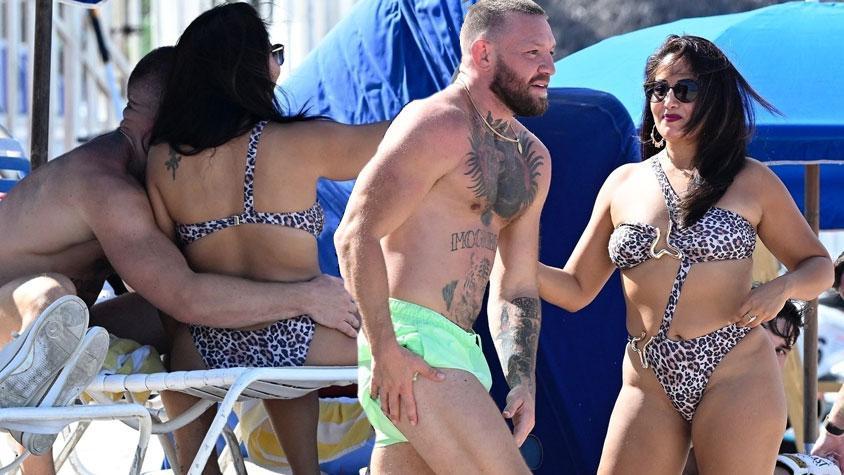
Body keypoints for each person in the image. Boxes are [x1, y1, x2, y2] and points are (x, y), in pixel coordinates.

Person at [0, 47, 355, 475]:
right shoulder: (109, 190)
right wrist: (305, 298)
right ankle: (33, 430)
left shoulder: (139, 176)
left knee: (178, 322)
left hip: (62, 324)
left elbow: (180, 301)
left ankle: (198, 467)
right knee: (53, 297)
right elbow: (186, 296)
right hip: (17, 321)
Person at [539, 35, 833, 473]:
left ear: (713, 98)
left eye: (685, 89)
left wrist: (782, 288)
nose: (668, 100)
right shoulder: (623, 184)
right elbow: (576, 288)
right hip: (648, 378)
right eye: (658, 89)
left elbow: (820, 266)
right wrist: (507, 257)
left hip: (735, 370)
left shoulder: (751, 180)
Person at [144, 4, 389, 474]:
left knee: (200, 456)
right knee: (424, 352)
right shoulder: (297, 142)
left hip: (204, 349)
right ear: (251, 67)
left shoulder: (162, 161)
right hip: (307, 338)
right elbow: (403, 140)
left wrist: (181, 348)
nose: (278, 65)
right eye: (274, 54)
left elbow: (166, 284)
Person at [334, 1, 555, 472]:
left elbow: (516, 284)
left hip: (461, 350)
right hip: (410, 343)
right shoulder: (437, 123)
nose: (548, 67)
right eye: (532, 52)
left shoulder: (532, 158)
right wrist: (385, 348)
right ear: (483, 54)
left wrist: (523, 379)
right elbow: (354, 234)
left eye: (550, 52)